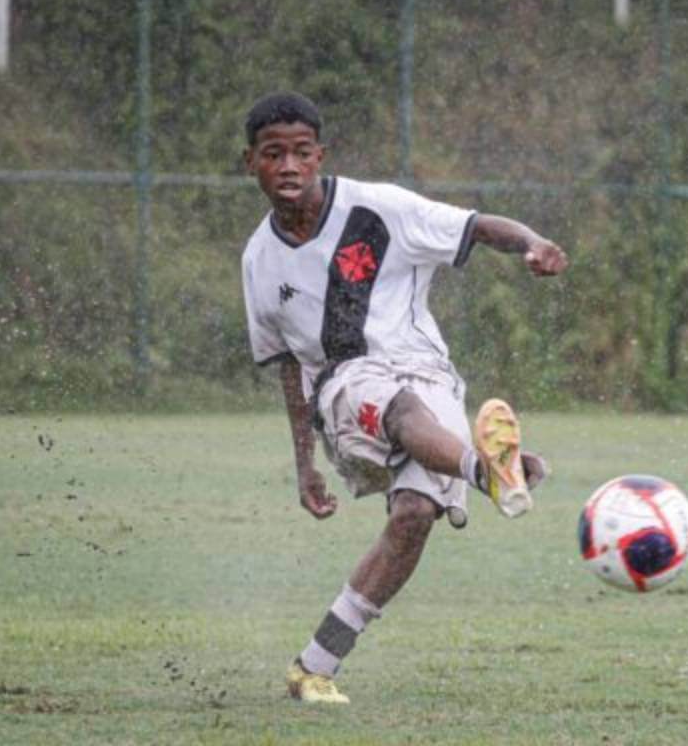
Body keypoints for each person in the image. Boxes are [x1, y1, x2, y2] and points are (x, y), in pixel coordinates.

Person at [239, 92, 568, 703]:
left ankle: (314, 666)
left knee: (414, 515)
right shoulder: (259, 260)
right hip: (343, 386)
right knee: (395, 406)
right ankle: (487, 471)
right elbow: (289, 369)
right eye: (272, 154)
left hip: (426, 372)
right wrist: (305, 464)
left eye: (301, 153)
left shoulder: (379, 208)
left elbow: (478, 226)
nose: (288, 166)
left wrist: (534, 242)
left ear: (320, 157)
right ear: (250, 163)